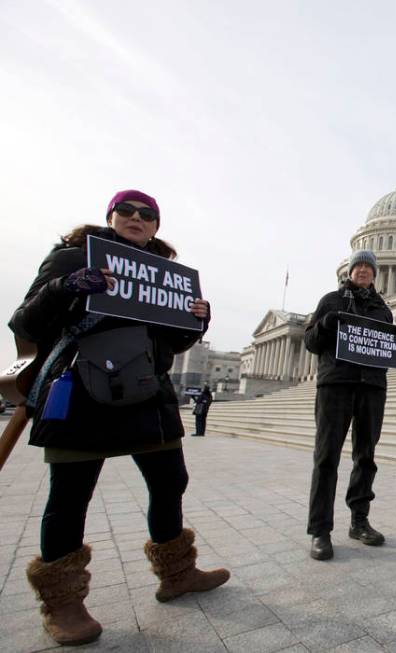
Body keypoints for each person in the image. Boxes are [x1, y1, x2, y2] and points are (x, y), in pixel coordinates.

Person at [9, 190, 230, 646]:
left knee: (170, 483)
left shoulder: (166, 276)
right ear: (111, 216)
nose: (136, 218)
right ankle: (63, 602)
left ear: (155, 225)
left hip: (147, 391)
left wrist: (197, 322)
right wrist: (67, 288)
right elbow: (25, 321)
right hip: (83, 387)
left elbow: (171, 343)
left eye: (147, 214)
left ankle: (177, 573)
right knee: (70, 497)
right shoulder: (73, 260)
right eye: (127, 211)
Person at [303, 250, 396, 561]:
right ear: (349, 271)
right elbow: (310, 342)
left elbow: (383, 351)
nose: (363, 270)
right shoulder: (330, 301)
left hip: (372, 388)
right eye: (358, 266)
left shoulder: (383, 309)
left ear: (375, 273)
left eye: (368, 267)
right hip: (336, 385)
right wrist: (325, 324)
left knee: (366, 456)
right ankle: (320, 531)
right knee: (326, 458)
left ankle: (359, 522)